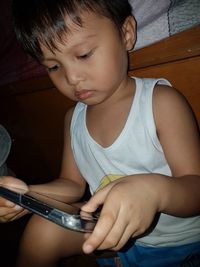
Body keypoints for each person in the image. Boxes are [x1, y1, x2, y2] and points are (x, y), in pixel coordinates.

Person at [0, 0, 200, 266]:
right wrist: (26, 195)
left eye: (83, 54)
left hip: (180, 244)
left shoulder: (160, 102)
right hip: (113, 235)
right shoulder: (73, 119)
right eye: (53, 67)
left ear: (126, 33)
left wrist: (155, 192)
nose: (71, 78)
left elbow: (196, 186)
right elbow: (71, 186)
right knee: (42, 230)